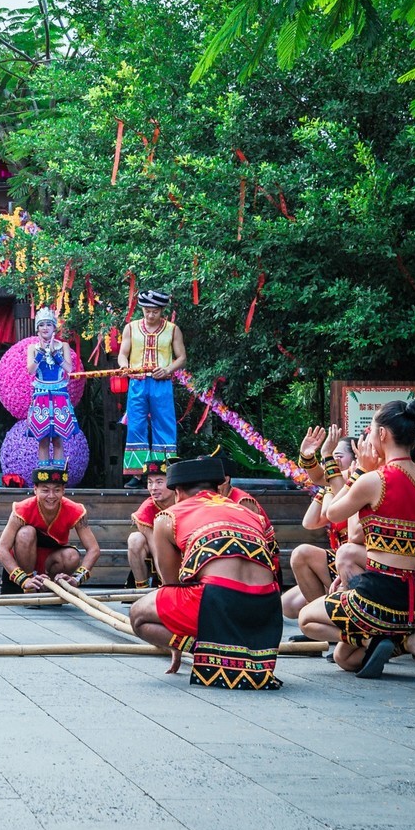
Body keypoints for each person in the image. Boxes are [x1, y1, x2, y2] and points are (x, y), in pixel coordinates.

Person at [298, 403, 415, 679]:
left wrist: (360, 472)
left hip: (376, 598)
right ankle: (410, 640)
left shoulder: (375, 480)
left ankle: (378, 639)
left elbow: (333, 513)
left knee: (306, 618)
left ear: (382, 435)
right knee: (344, 658)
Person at [128, 456, 284, 689]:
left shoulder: (168, 516)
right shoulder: (251, 512)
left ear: (178, 492)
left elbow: (172, 584)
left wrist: (176, 638)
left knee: (138, 614)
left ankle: (207, 649)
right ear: (218, 488)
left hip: (218, 600)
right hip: (268, 607)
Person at [283, 429, 357, 623]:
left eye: (338, 456)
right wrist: (308, 456)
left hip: (356, 562)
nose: (334, 461)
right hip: (340, 560)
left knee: (301, 554)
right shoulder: (340, 479)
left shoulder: (360, 476)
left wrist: (328, 464)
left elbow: (330, 510)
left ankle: (326, 620)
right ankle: (325, 615)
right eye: (333, 456)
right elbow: (309, 522)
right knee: (287, 605)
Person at [0, 464, 102, 593]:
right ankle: (31, 586)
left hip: (51, 561)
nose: (51, 496)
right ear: (35, 490)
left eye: (56, 490)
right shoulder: (21, 509)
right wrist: (24, 580)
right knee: (25, 533)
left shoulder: (75, 510)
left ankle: (50, 587)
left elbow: (94, 549)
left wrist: (76, 579)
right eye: (45, 490)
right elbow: (1, 549)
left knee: (71, 556)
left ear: (63, 490)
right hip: (23, 567)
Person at [117, 289, 186, 486]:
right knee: (135, 425)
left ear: (162, 310)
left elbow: (182, 357)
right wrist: (124, 367)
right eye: (147, 311)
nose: (150, 315)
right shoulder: (131, 328)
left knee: (164, 424)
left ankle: (164, 473)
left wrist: (167, 370)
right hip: (137, 383)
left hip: (161, 383)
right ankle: (137, 474)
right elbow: (123, 354)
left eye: (155, 311)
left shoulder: (172, 329)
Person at [26, 307, 77, 468]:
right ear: (37, 328)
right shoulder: (33, 348)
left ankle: (57, 475)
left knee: (58, 438)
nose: (45, 328)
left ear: (54, 327)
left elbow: (69, 369)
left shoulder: (63, 346)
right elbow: (30, 370)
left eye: (49, 324)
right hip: (41, 394)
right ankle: (44, 474)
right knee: (42, 438)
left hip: (59, 393)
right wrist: (41, 353)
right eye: (42, 325)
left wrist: (56, 355)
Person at [126, 459, 176, 590]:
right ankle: (142, 589)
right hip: (160, 555)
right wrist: (167, 585)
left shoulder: (185, 501)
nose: (153, 488)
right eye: (150, 482)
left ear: (173, 482)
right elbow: (156, 549)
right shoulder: (146, 510)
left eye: (159, 482)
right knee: (135, 539)